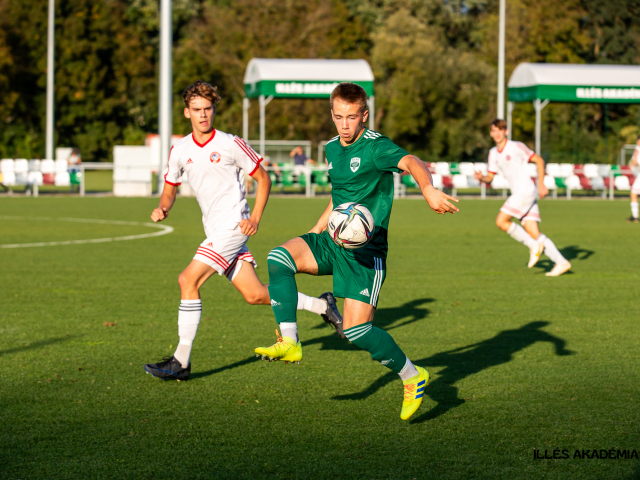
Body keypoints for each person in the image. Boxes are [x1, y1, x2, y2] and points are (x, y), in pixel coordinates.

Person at [254, 82, 459, 421]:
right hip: (334, 239)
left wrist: (428, 189)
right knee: (279, 258)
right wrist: (314, 232)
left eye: (351, 117)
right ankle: (290, 340)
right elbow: (339, 196)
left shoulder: (377, 148)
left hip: (366, 254)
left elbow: (412, 160)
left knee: (356, 331)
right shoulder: (332, 149)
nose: (344, 125)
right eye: (338, 117)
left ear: (364, 115)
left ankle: (413, 376)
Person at [143, 81, 343, 381]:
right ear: (187, 112)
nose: (203, 115)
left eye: (208, 109)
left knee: (188, 280)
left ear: (214, 110)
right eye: (196, 110)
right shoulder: (180, 149)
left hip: (234, 227)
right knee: (256, 295)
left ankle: (180, 361)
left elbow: (264, 179)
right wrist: (164, 207)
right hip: (215, 230)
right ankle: (322, 305)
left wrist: (256, 219)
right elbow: (170, 187)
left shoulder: (230, 143)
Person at [474, 119, 571, 277]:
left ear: (506, 131)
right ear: (491, 133)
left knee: (501, 221)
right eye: (494, 130)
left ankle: (533, 246)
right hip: (521, 193)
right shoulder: (493, 153)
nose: (497, 133)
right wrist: (481, 177)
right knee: (533, 232)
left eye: (500, 130)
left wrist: (541, 184)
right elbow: (490, 177)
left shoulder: (516, 146)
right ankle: (562, 262)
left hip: (525, 191)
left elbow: (538, 160)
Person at [626, 136, 640, 223]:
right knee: (633, 194)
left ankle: (635, 216)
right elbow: (634, 163)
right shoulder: (637, 149)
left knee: (633, 194)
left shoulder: (638, 149)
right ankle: (635, 216)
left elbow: (633, 163)